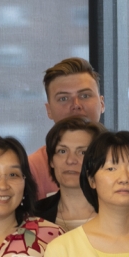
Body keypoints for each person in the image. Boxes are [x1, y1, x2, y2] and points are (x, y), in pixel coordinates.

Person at [27, 58, 105, 199]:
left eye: (85, 95)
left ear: (102, 103)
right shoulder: (31, 169)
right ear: (49, 110)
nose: (76, 105)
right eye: (63, 98)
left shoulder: (127, 162)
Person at [34, 115, 102, 226]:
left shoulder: (120, 214)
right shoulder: (32, 215)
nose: (70, 160)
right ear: (51, 160)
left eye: (82, 152)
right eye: (62, 151)